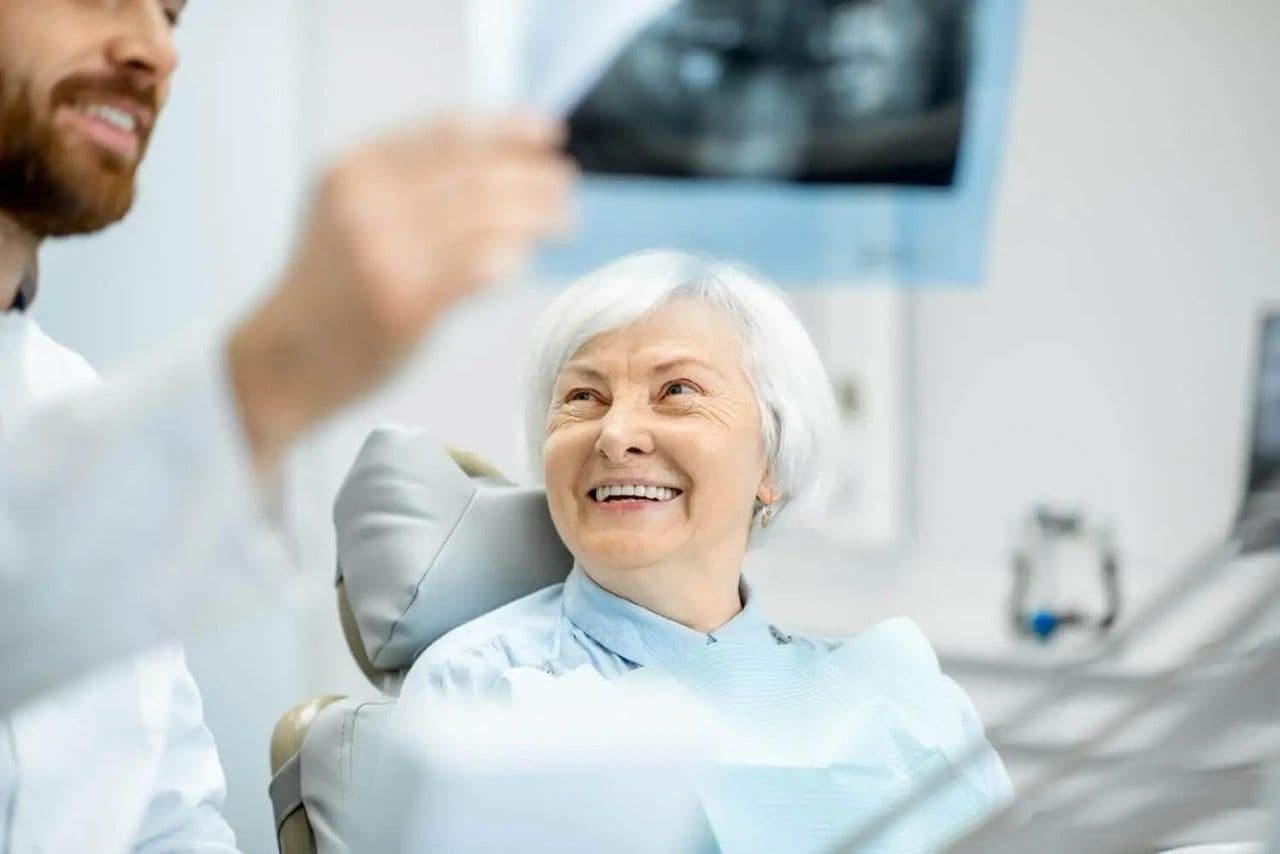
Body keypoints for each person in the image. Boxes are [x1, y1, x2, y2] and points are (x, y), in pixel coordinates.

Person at [0, 0, 573, 849]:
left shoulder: (63, 397)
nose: (157, 50)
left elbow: (164, 819)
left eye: (172, 15)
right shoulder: (114, 454)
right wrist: (274, 370)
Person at [399, 250, 1011, 850]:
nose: (616, 435)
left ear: (771, 460)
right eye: (583, 397)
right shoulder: (483, 687)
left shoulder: (900, 698)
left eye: (677, 390)